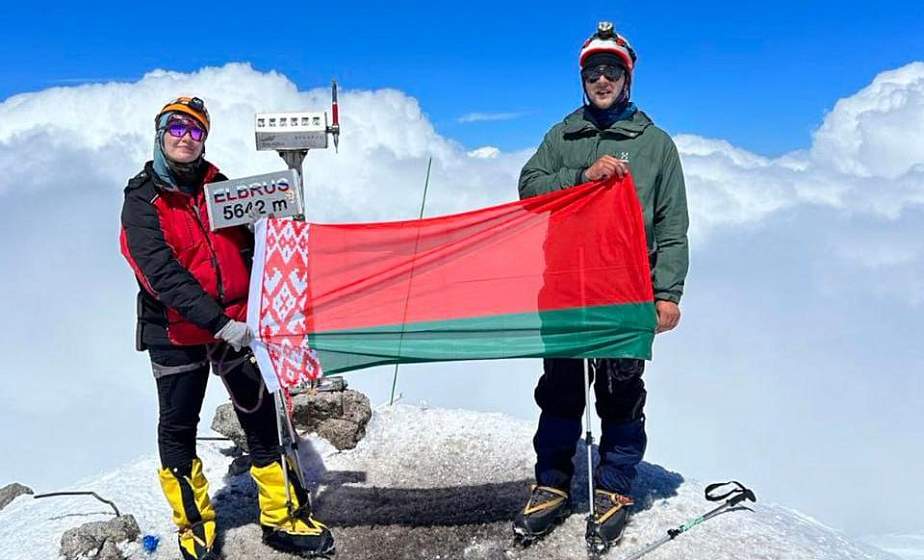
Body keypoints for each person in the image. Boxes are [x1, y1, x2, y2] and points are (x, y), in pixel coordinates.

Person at [119, 97, 335, 559]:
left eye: (195, 131)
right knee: (178, 427)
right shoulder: (142, 201)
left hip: (240, 324)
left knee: (262, 418)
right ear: (160, 134)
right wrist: (219, 324)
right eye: (176, 128)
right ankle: (194, 525)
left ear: (204, 140)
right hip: (178, 333)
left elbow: (254, 246)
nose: (185, 137)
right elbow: (160, 274)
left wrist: (278, 228)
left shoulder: (221, 187)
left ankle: (282, 517)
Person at [513, 22, 689, 547]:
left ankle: (614, 486)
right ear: (583, 78)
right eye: (593, 71)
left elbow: (673, 224)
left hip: (627, 293)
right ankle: (553, 484)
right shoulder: (561, 136)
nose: (602, 79)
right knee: (560, 394)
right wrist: (582, 177)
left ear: (627, 77)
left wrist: (668, 294)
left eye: (612, 70)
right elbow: (529, 189)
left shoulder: (656, 145)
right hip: (566, 287)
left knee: (620, 394)